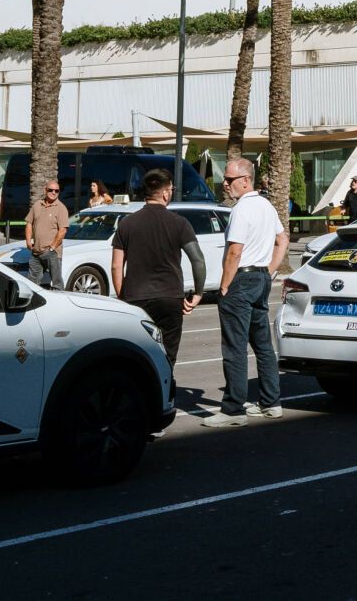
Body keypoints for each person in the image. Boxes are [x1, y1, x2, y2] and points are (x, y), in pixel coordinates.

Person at [205, 157, 288, 428]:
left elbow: (234, 250)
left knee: (235, 346)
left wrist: (225, 284)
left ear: (245, 180)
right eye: (224, 180)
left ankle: (233, 409)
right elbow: (282, 239)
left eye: (229, 180)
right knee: (262, 343)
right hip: (260, 277)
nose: (224, 184)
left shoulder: (241, 210)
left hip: (241, 279)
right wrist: (270, 270)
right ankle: (271, 402)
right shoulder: (266, 206)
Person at [111, 168, 206, 375]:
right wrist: (198, 293)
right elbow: (197, 259)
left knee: (136, 354)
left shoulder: (126, 224)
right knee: (167, 354)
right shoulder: (180, 223)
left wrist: (122, 295)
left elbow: (117, 265)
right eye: (171, 189)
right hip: (170, 298)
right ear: (165, 193)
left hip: (136, 298)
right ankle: (165, 396)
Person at [24, 177, 70, 288]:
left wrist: (52, 248)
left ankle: (59, 304)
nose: (53, 193)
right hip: (36, 252)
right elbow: (29, 223)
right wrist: (28, 240)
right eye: (51, 190)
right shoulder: (37, 205)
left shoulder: (61, 208)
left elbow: (63, 230)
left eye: (56, 191)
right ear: (45, 190)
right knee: (32, 284)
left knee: (57, 284)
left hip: (52, 253)